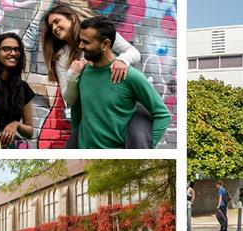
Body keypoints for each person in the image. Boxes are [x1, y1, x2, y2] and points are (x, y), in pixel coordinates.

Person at [40, 3, 145, 147]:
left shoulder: (97, 31)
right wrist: (72, 74)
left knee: (138, 143)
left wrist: (122, 60)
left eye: (57, 21)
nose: (54, 28)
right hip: (90, 114)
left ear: (72, 18)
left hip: (121, 104)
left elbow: (134, 52)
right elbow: (70, 99)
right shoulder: (61, 56)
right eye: (51, 26)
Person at [70, 17, 170, 149]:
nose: (80, 46)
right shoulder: (82, 72)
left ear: (105, 44)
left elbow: (163, 115)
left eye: (86, 42)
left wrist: (147, 147)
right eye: (80, 41)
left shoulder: (131, 76)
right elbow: (77, 110)